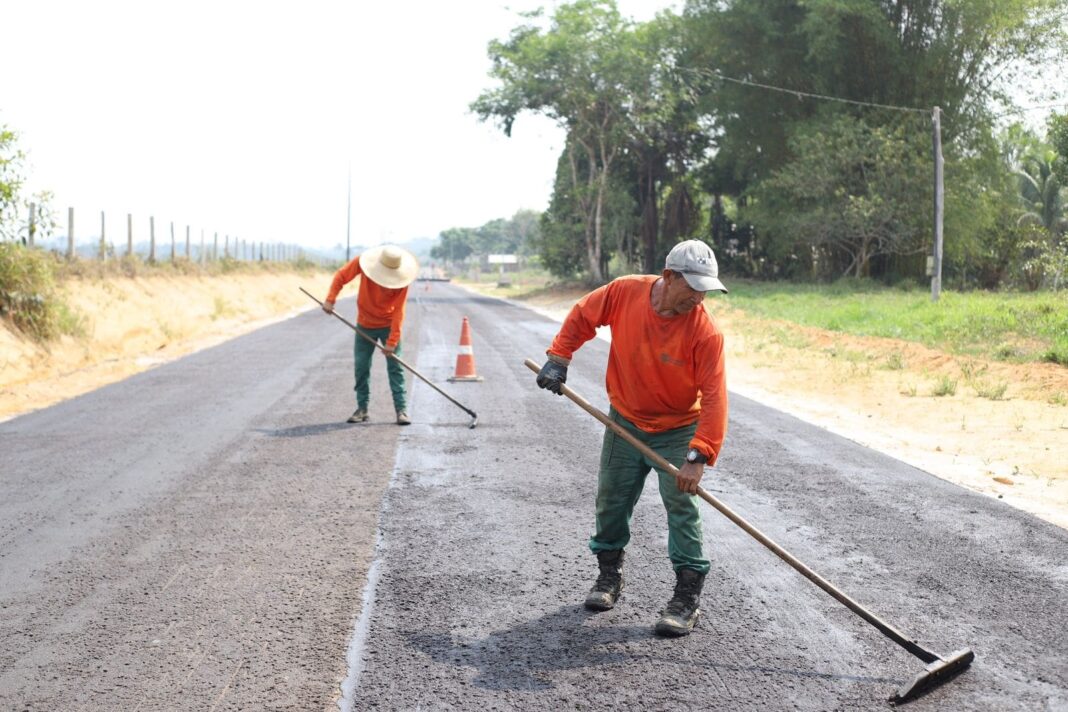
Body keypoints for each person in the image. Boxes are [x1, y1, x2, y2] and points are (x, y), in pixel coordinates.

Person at [535, 239, 728, 637]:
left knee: (682, 507)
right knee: (611, 500)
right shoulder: (626, 292)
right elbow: (583, 315)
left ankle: (687, 599)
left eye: (705, 290)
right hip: (624, 421)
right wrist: (559, 358)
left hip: (677, 430)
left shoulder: (705, 332)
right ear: (669, 276)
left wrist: (698, 455)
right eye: (692, 287)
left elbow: (714, 396)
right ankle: (609, 578)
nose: (699, 297)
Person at [323, 245, 419, 425]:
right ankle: (362, 409)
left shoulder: (402, 280)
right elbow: (341, 276)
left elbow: (399, 311)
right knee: (361, 367)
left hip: (389, 325)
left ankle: (401, 411)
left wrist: (392, 341)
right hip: (365, 324)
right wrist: (330, 299)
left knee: (395, 368)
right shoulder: (364, 263)